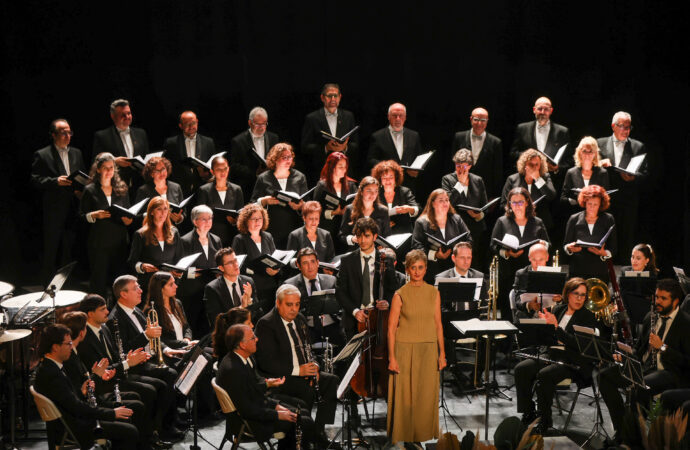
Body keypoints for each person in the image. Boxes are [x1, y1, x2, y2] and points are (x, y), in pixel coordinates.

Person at [77, 294, 174, 445]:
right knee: (148, 391)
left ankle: (154, 430)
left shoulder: (104, 327)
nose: (107, 312)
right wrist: (128, 363)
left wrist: (130, 358)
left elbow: (115, 356)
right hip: (104, 384)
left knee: (160, 385)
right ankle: (146, 438)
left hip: (118, 375)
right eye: (102, 309)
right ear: (90, 314)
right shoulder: (85, 339)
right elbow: (102, 370)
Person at [514, 277, 605, 435]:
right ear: (567, 294)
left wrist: (556, 328)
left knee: (544, 375)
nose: (579, 298)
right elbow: (548, 337)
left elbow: (577, 344)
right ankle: (529, 412)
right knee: (521, 368)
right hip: (551, 354)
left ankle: (545, 420)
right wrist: (543, 326)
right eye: (576, 293)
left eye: (583, 295)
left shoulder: (587, 317)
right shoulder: (558, 309)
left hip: (572, 361)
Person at [599, 279, 690, 436]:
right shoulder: (650, 317)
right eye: (656, 297)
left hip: (670, 372)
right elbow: (639, 350)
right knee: (604, 376)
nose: (658, 302)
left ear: (675, 301)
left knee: (640, 385)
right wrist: (626, 355)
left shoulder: (685, 324)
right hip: (645, 367)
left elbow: (686, 362)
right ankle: (623, 429)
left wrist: (662, 347)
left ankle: (635, 436)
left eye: (663, 298)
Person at [254, 285, 340, 447]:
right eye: (289, 305)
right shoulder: (266, 324)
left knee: (331, 381)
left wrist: (314, 365)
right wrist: (298, 371)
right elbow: (267, 363)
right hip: (283, 378)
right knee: (306, 389)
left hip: (304, 371)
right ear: (278, 304)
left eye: (297, 304)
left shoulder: (299, 318)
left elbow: (309, 347)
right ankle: (308, 437)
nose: (294, 309)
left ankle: (318, 430)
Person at [58, 311, 158, 449]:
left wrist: (97, 375)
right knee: (132, 425)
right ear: (82, 333)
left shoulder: (74, 351)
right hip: (85, 416)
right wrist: (111, 412)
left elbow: (84, 385)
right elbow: (78, 398)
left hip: (95, 397)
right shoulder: (71, 355)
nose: (107, 312)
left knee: (137, 402)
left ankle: (146, 442)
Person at [34, 324, 139, 449]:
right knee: (130, 431)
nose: (71, 347)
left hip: (73, 422)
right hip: (75, 428)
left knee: (126, 420)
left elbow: (68, 399)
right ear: (55, 347)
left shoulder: (50, 367)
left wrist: (81, 391)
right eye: (68, 344)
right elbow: (76, 407)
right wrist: (111, 413)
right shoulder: (51, 374)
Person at [106, 275, 184, 440]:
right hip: (135, 365)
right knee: (168, 375)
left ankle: (169, 420)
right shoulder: (115, 319)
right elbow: (123, 350)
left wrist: (165, 348)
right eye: (136, 288)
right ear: (123, 294)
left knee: (174, 369)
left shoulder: (137, 311)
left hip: (150, 358)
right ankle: (160, 426)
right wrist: (145, 335)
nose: (141, 290)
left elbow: (153, 336)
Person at [217, 323, 316, 449]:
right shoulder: (233, 370)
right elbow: (247, 410)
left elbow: (253, 392)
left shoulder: (245, 358)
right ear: (242, 345)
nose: (257, 339)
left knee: (303, 410)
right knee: (304, 422)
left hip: (256, 407)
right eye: (253, 338)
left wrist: (276, 405)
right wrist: (277, 414)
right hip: (250, 421)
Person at [387, 249, 445, 445]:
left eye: (421, 267)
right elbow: (391, 330)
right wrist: (392, 358)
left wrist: (442, 354)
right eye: (414, 268)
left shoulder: (434, 292)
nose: (417, 271)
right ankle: (405, 438)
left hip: (428, 350)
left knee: (425, 396)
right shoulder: (399, 294)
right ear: (408, 270)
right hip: (404, 350)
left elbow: (438, 324)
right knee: (406, 398)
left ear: (426, 269)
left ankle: (419, 438)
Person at [30, 118, 86, 284]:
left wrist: (81, 189)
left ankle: (68, 282)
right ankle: (47, 285)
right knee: (52, 248)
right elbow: (35, 180)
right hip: (54, 208)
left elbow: (81, 175)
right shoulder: (43, 154)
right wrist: (55, 181)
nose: (68, 135)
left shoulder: (76, 153)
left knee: (70, 246)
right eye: (63, 132)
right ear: (53, 135)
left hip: (74, 206)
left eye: (69, 132)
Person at [490, 187, 550, 321]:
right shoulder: (502, 221)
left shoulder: (537, 222)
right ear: (509, 204)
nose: (517, 206)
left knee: (531, 308)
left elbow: (547, 244)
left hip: (530, 271)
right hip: (508, 270)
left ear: (527, 202)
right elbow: (493, 246)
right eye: (514, 202)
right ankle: (510, 339)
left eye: (520, 202)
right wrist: (506, 252)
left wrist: (541, 245)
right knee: (508, 308)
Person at [597, 111, 650, 264]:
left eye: (628, 127)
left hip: (628, 200)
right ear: (613, 126)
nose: (625, 130)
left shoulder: (638, 146)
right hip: (605, 199)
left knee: (626, 238)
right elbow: (588, 167)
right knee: (605, 237)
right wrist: (599, 165)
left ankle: (623, 273)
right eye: (621, 126)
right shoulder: (599, 143)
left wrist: (634, 177)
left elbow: (645, 173)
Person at [335, 218, 398, 339]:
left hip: (380, 318)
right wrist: (355, 311)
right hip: (353, 321)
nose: (362, 240)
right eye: (359, 236)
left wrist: (388, 302)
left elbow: (393, 288)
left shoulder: (386, 259)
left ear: (375, 237)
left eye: (367, 236)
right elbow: (340, 291)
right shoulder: (347, 261)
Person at [80, 152, 132, 298]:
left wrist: (129, 220)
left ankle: (119, 315)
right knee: (99, 282)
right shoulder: (90, 190)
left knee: (119, 282)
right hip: (99, 242)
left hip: (119, 241)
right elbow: (81, 216)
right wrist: (93, 215)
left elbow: (128, 212)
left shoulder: (121, 188)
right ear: (98, 169)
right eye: (105, 168)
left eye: (112, 167)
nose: (109, 171)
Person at [251, 142, 309, 248]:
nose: (288, 160)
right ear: (275, 159)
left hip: (294, 227)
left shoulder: (299, 177)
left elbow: (307, 205)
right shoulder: (263, 178)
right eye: (284, 157)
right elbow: (251, 206)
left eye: (290, 157)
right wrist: (264, 201)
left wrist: (301, 206)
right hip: (271, 228)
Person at [441, 149, 491, 269]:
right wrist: (460, 185)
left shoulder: (477, 180)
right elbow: (447, 203)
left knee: (473, 260)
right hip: (455, 227)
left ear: (470, 166)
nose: (461, 169)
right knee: (456, 260)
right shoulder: (447, 179)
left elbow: (484, 206)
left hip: (474, 227)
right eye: (458, 166)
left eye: (464, 166)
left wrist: (479, 215)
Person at [178, 205, 223, 335]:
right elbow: (180, 268)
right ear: (195, 221)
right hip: (192, 291)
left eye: (210, 218)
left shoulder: (216, 240)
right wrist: (195, 273)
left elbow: (219, 263)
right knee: (194, 325)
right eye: (204, 219)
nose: (208, 222)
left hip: (211, 289)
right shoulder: (185, 241)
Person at [301, 83, 360, 182]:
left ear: (340, 97)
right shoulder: (312, 118)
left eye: (335, 95)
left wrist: (344, 147)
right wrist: (326, 148)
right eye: (329, 96)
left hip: (344, 171)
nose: (333, 99)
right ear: (322, 97)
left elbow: (356, 144)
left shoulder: (348, 116)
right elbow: (305, 147)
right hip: (321, 170)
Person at [509, 96, 571, 190]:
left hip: (551, 184)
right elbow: (513, 154)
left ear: (551, 111)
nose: (542, 112)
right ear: (534, 110)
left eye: (546, 109)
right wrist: (528, 156)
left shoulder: (562, 132)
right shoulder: (522, 128)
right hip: (526, 181)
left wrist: (557, 168)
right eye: (539, 109)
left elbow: (570, 159)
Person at [285, 247, 343, 345]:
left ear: (317, 263)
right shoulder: (290, 285)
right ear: (298, 266)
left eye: (312, 262)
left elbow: (342, 305)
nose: (310, 266)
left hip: (332, 327)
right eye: (305, 263)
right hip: (306, 330)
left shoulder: (331, 280)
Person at [411, 189, 472, 283]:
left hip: (455, 267)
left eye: (447, 200)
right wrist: (435, 254)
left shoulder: (456, 219)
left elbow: (469, 239)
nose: (445, 203)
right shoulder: (422, 222)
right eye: (441, 200)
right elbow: (416, 246)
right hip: (432, 269)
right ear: (432, 203)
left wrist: (459, 252)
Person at [127, 196, 183, 294]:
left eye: (165, 209)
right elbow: (132, 262)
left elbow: (180, 259)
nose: (163, 212)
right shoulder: (141, 234)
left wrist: (178, 272)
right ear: (151, 212)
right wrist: (142, 266)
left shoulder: (174, 232)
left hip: (169, 284)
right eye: (159, 209)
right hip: (150, 284)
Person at [92, 99, 150, 192]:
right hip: (116, 186)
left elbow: (146, 157)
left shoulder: (141, 133)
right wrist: (114, 161)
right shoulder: (102, 136)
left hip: (140, 185)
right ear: (113, 116)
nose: (127, 117)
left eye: (129, 113)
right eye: (123, 115)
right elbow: (96, 162)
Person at [231, 203, 280, 311]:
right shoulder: (239, 239)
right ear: (245, 221)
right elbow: (238, 265)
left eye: (260, 218)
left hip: (270, 285)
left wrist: (276, 269)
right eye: (253, 219)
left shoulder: (268, 236)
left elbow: (274, 258)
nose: (257, 221)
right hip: (252, 286)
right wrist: (257, 270)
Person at [563, 185, 617, 281]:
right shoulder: (574, 219)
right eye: (589, 204)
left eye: (595, 204)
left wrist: (604, 253)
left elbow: (613, 247)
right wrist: (570, 248)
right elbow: (566, 244)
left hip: (600, 270)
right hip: (578, 270)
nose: (592, 207)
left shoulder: (608, 219)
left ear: (600, 205)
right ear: (584, 202)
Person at [367, 103, 423, 190]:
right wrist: (388, 167)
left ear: (405, 117)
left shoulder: (414, 135)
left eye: (401, 115)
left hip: (408, 184)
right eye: (394, 115)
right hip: (386, 184)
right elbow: (371, 160)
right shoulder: (377, 136)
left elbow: (418, 158)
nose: (398, 118)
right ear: (388, 116)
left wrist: (416, 171)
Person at [450, 107, 504, 198]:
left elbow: (497, 172)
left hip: (485, 192)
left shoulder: (496, 142)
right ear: (471, 119)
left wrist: (494, 196)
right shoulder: (459, 137)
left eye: (483, 120)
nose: (479, 123)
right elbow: (452, 164)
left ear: (487, 121)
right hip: (461, 188)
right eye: (476, 120)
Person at [162, 110, 216, 196]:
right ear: (181, 126)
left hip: (202, 189)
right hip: (179, 190)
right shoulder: (171, 143)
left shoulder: (208, 142)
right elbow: (167, 168)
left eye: (193, 123)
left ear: (197, 122)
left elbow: (213, 166)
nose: (191, 126)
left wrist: (207, 174)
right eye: (187, 124)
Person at [313, 151, 358, 252]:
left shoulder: (350, 185)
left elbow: (358, 204)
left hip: (345, 228)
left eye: (345, 167)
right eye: (340, 167)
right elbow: (315, 210)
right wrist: (334, 212)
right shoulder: (322, 185)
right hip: (328, 227)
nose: (344, 169)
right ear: (332, 167)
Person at [230, 106, 280, 199]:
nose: (261, 128)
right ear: (250, 123)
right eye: (257, 124)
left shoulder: (274, 138)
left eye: (264, 124)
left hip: (269, 187)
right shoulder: (238, 141)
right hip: (248, 187)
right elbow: (234, 166)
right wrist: (255, 173)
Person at [501, 149, 557, 231]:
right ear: (524, 165)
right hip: (516, 222)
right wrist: (517, 208)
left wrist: (538, 179)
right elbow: (503, 203)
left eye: (537, 165)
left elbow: (551, 196)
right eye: (531, 164)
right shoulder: (512, 179)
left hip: (539, 222)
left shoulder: (545, 177)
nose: (534, 168)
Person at [195, 155, 244, 246]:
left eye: (225, 168)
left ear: (228, 169)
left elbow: (241, 214)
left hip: (231, 236)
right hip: (211, 236)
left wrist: (235, 221)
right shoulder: (204, 190)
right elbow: (199, 216)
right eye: (218, 169)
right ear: (212, 171)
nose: (223, 172)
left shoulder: (237, 189)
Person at [203, 247, 258, 326]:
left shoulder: (248, 281)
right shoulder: (212, 288)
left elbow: (258, 312)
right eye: (230, 263)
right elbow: (217, 321)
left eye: (236, 260)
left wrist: (249, 302)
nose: (235, 264)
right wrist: (242, 307)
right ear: (221, 268)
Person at [559, 136, 610, 218]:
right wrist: (577, 199)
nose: (587, 154)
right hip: (576, 216)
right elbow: (563, 199)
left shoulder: (602, 173)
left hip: (597, 216)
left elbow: (606, 198)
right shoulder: (571, 172)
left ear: (595, 154)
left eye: (591, 151)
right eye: (584, 151)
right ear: (579, 152)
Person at [339, 176, 392, 250]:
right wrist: (352, 239)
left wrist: (383, 247)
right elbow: (342, 235)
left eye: (376, 191)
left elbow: (387, 236)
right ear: (361, 191)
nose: (373, 194)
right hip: (355, 252)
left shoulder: (383, 211)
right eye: (369, 191)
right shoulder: (349, 209)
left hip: (376, 253)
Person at [512, 243, 561, 320]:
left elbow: (563, 299)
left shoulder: (554, 273)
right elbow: (517, 300)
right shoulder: (521, 274)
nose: (537, 263)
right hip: (527, 315)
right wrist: (529, 305)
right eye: (534, 259)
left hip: (549, 315)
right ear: (529, 258)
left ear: (547, 258)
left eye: (541, 259)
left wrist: (559, 299)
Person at [372, 160, 419, 235]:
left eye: (391, 177)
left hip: (403, 233)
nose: (388, 181)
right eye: (384, 178)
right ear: (380, 179)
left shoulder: (405, 191)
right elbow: (370, 214)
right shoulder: (375, 193)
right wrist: (382, 223)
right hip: (382, 234)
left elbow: (416, 209)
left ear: (396, 178)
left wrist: (410, 209)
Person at [134, 156, 185, 226]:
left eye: (163, 169)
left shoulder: (176, 187)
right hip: (152, 230)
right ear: (151, 174)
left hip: (172, 230)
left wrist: (179, 218)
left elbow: (183, 212)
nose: (161, 173)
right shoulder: (143, 190)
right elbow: (137, 216)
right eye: (157, 171)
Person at [619, 243, 659, 329]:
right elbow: (619, 290)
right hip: (627, 311)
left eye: (638, 258)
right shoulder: (624, 270)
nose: (634, 261)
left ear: (647, 260)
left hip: (644, 313)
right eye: (632, 257)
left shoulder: (652, 275)